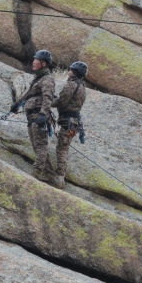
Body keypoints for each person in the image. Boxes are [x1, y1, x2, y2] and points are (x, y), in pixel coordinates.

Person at [10, 50, 56, 182]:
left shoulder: (47, 80)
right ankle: (51, 175)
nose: (33, 62)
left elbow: (48, 98)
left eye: (37, 60)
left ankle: (36, 173)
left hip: (38, 116)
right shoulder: (38, 78)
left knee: (41, 146)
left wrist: (43, 114)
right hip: (31, 117)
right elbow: (28, 93)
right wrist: (17, 104)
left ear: (44, 63)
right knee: (36, 147)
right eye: (34, 60)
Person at [50, 61, 88, 189]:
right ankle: (61, 177)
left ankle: (59, 179)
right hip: (74, 124)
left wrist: (49, 102)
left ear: (75, 73)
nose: (68, 72)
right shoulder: (82, 87)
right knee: (64, 148)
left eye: (70, 70)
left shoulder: (71, 85)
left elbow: (62, 101)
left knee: (61, 149)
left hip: (68, 123)